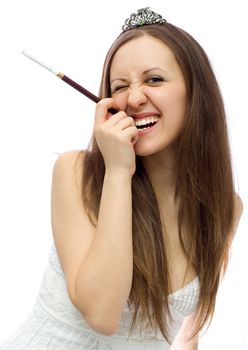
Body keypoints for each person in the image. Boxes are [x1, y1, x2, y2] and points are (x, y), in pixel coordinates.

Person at [0, 7, 243, 350]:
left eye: (154, 79)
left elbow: (188, 330)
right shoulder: (76, 173)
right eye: (120, 86)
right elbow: (101, 314)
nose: (134, 98)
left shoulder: (226, 206)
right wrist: (117, 171)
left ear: (196, 92)